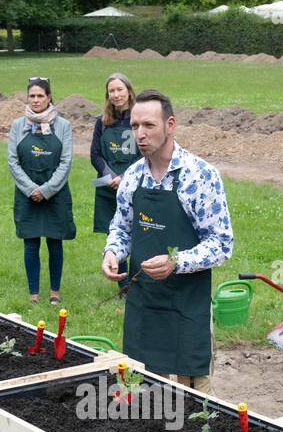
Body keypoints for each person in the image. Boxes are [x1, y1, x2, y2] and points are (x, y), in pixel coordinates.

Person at [100, 89, 234, 394]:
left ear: (170, 125)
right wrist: (113, 252)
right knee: (147, 391)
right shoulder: (133, 177)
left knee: (197, 399)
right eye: (135, 127)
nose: (140, 134)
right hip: (145, 303)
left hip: (186, 304)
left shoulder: (200, 176)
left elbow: (222, 243)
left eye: (149, 125)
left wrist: (177, 262)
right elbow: (121, 227)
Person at [7, 77, 75, 305]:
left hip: (55, 195)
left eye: (40, 96)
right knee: (31, 243)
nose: (36, 100)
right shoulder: (18, 125)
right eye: (32, 96)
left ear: (49, 98)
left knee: (55, 242)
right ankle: (34, 294)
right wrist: (30, 189)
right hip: (27, 195)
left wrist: (46, 190)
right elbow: (13, 162)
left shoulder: (63, 126)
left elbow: (65, 163)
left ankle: (55, 292)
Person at [90, 73, 138, 238]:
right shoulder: (102, 122)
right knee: (115, 239)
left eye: (120, 89)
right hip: (109, 187)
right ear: (107, 95)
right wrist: (111, 177)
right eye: (112, 91)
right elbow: (94, 154)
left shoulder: (140, 120)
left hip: (135, 185)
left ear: (129, 91)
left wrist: (124, 177)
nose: (116, 95)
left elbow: (145, 156)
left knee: (138, 238)